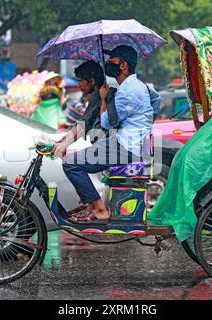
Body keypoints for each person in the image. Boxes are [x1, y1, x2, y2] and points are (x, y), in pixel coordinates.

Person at [52, 46, 154, 222]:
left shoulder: (118, 92)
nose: (79, 84)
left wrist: (104, 99)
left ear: (123, 65)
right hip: (122, 143)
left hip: (123, 145)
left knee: (72, 163)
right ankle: (91, 205)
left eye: (112, 60)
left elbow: (98, 123)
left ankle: (98, 209)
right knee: (79, 163)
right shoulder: (129, 87)